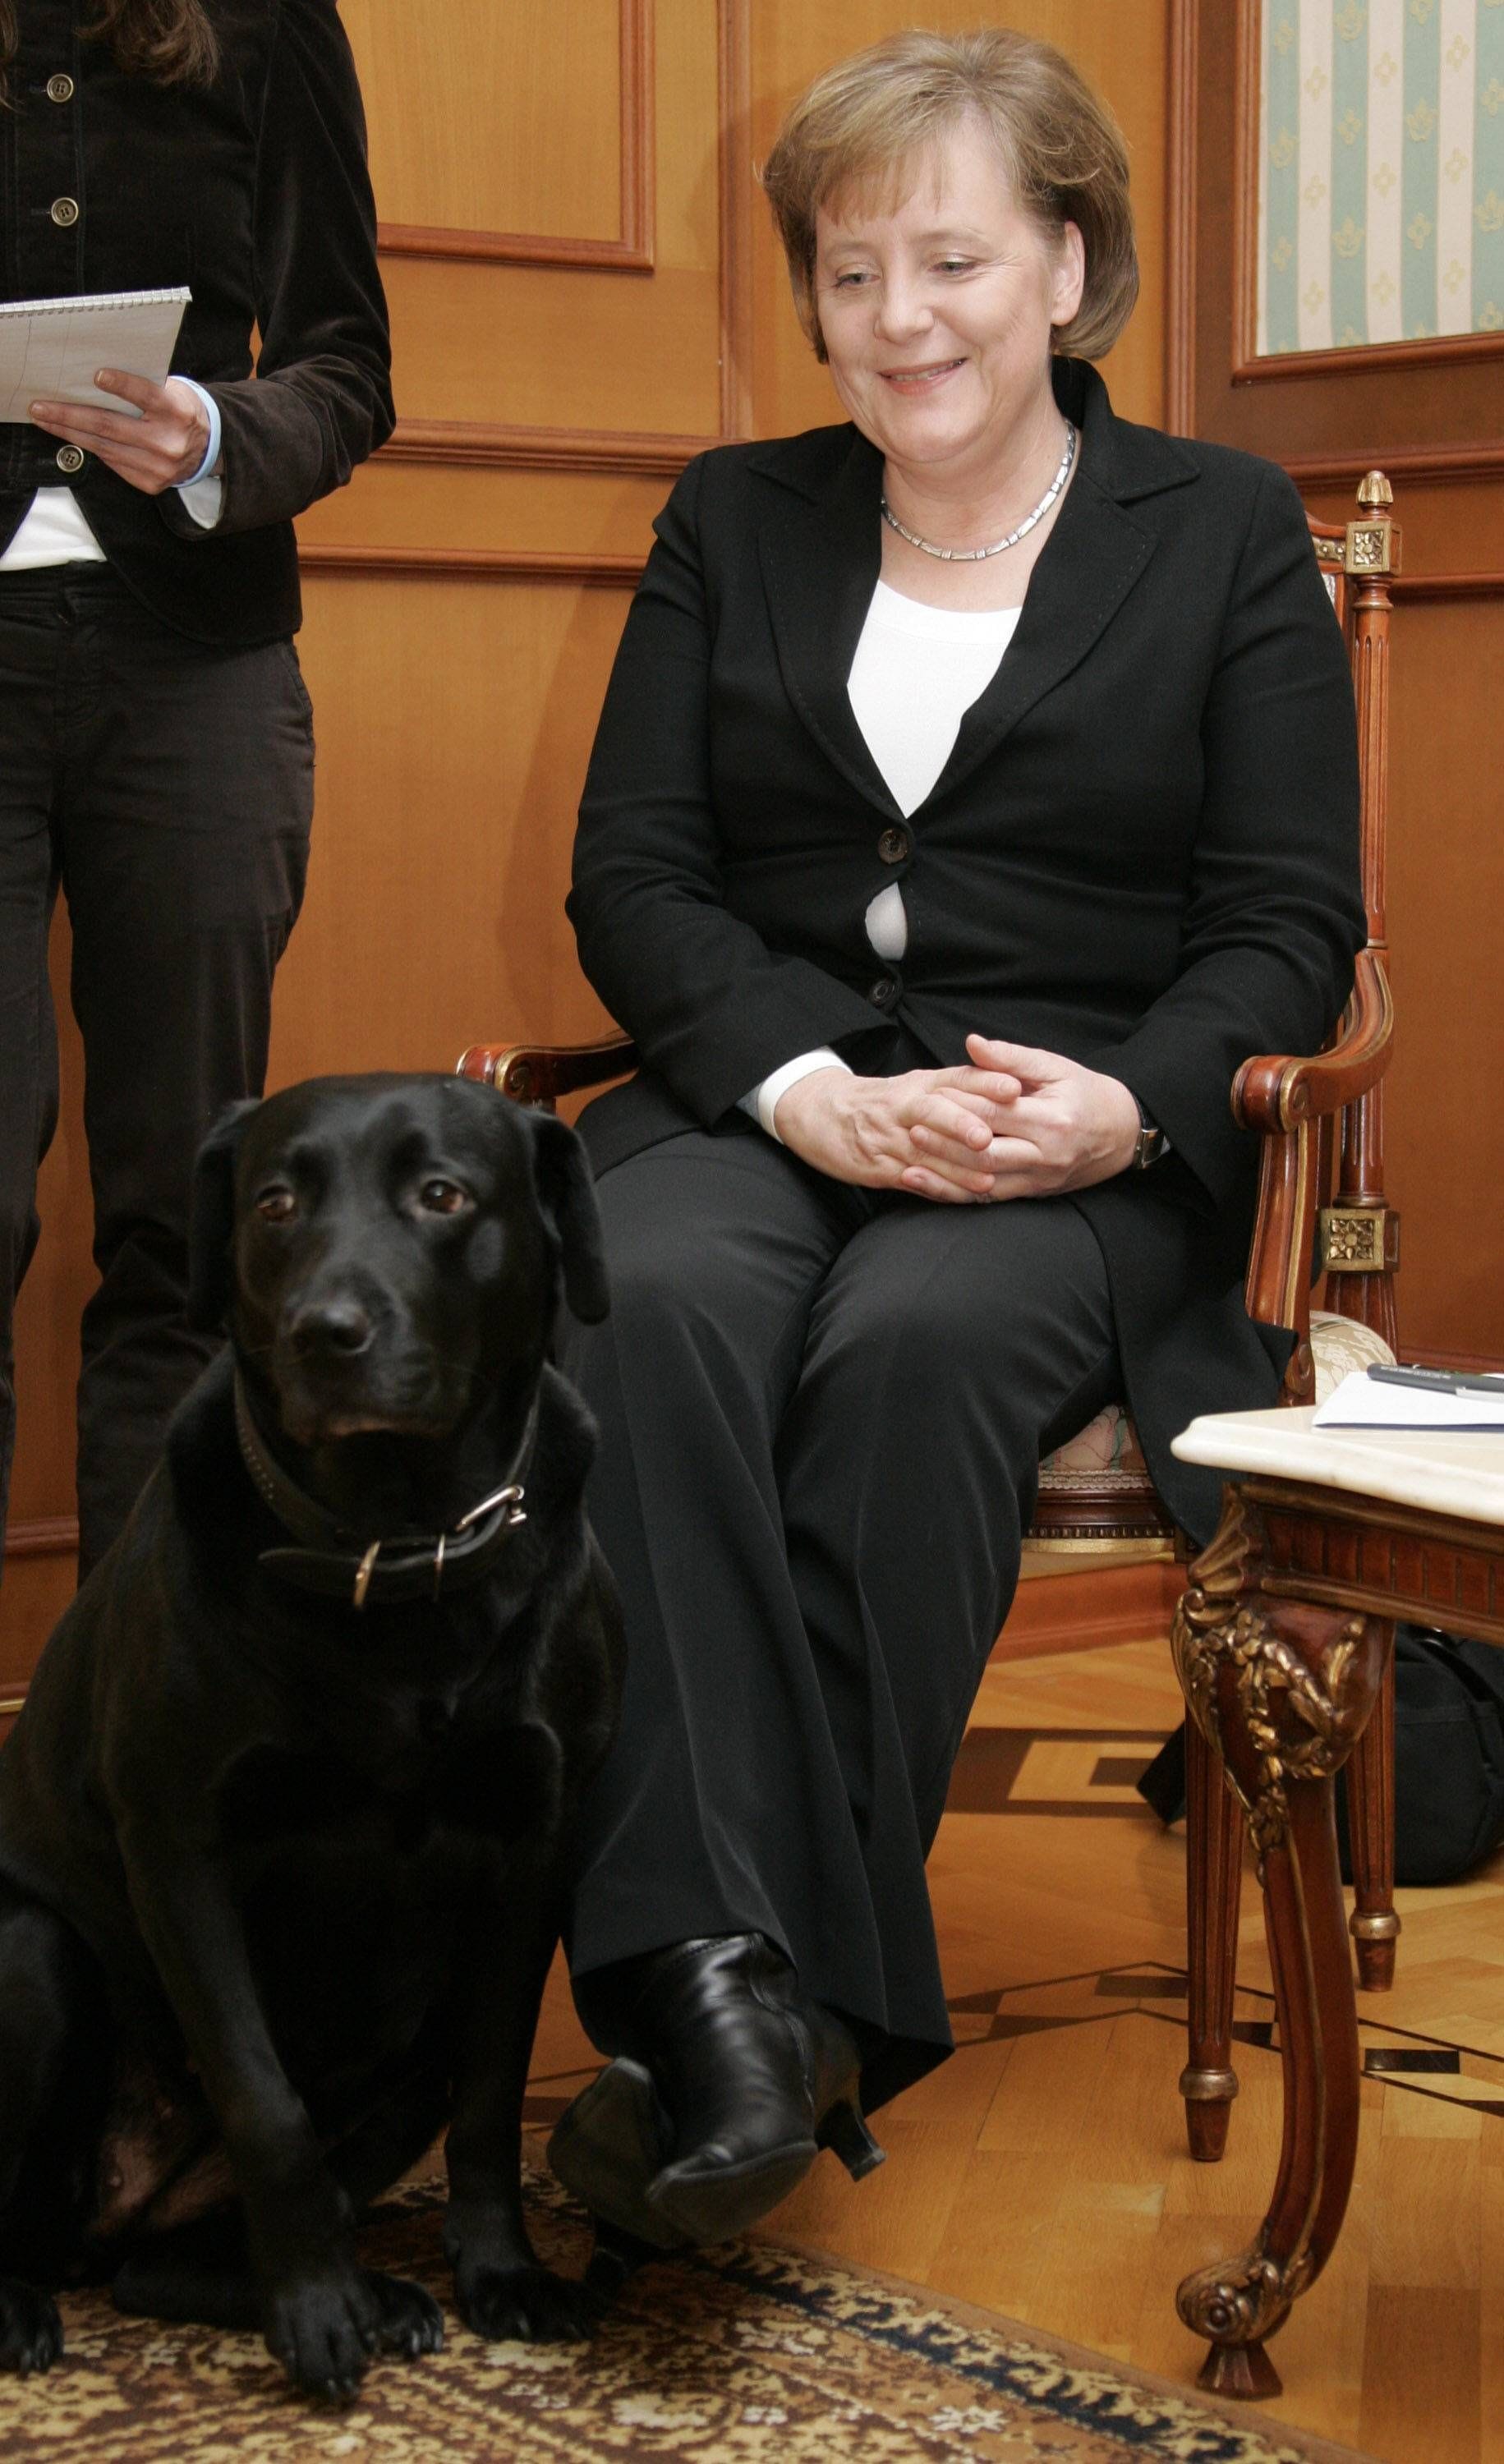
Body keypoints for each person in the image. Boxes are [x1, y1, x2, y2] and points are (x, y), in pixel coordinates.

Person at [545, 26, 1367, 2257]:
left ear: (1070, 263)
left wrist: (1128, 1100)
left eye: (953, 260)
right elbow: (638, 878)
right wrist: (807, 1078)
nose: (898, 319)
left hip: (1057, 1138)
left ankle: (737, 2017)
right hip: (779, 1096)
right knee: (665, 1299)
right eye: (847, 272)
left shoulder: (1219, 534)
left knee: (911, 1359)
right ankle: (755, 2008)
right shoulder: (739, 516)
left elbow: (1292, 923)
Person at [0, 0, 392, 1577]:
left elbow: (346, 364)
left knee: (191, 1221)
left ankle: (139, 1731)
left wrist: (219, 430)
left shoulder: (271, 20)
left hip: (199, 668)